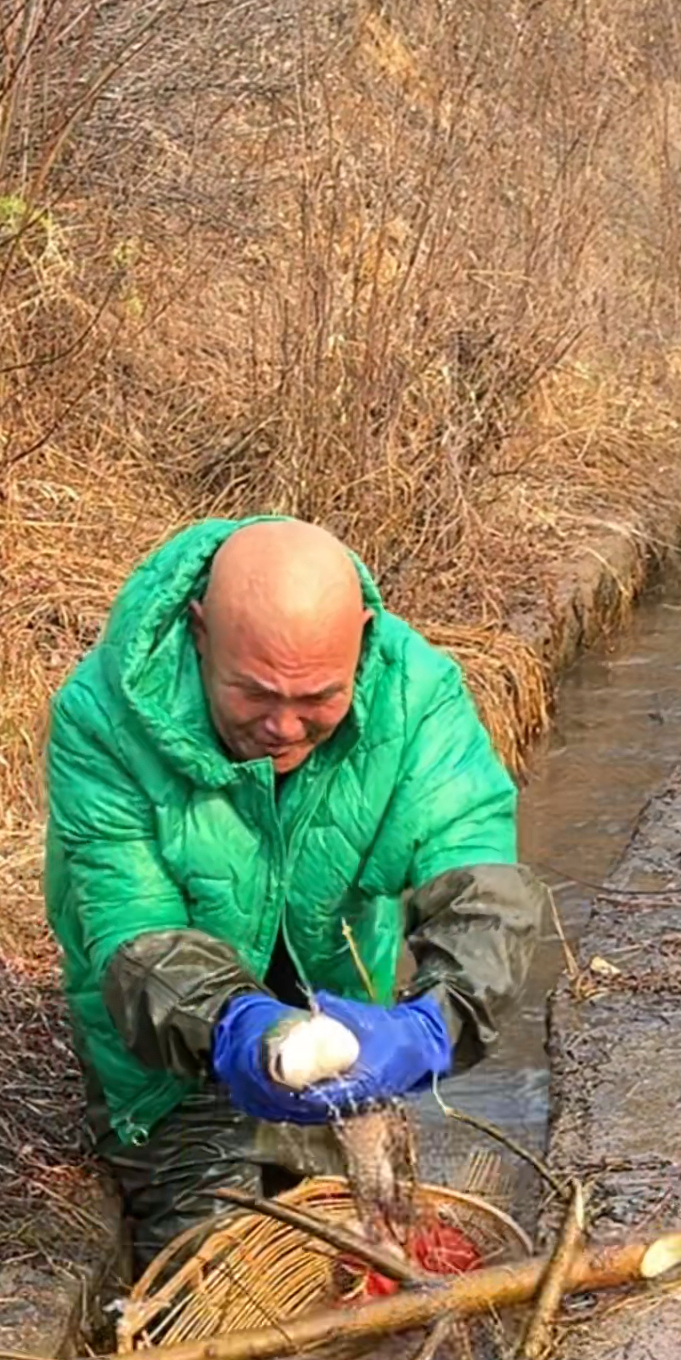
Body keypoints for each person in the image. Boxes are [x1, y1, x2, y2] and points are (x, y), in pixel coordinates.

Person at [44, 514, 543, 1271]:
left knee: (361, 1257)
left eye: (316, 698)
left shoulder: (420, 698)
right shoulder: (103, 719)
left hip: (338, 1014)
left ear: (364, 640)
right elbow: (132, 935)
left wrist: (437, 1021)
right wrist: (239, 1030)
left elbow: (482, 883)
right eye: (253, 695)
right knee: (214, 1277)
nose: (282, 728)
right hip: (166, 1055)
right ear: (199, 631)